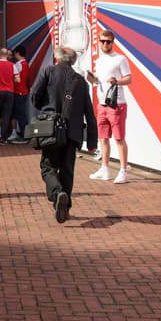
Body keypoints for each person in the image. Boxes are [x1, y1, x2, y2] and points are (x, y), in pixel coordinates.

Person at [31, 46, 98, 223]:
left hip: (51, 128)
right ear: (74, 60)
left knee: (48, 167)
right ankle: (64, 208)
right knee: (67, 170)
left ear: (57, 57)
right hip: (73, 132)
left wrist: (45, 107)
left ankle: (57, 193)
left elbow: (34, 96)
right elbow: (89, 112)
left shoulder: (48, 71)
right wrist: (92, 141)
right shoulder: (81, 81)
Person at [86, 28, 132, 184]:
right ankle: (104, 168)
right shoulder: (98, 61)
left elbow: (129, 79)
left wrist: (117, 81)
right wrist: (93, 79)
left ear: (113, 42)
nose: (105, 44)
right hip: (102, 104)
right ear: (98, 42)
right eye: (103, 41)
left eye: (108, 41)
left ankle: (123, 170)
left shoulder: (120, 59)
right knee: (103, 138)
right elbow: (99, 81)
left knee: (119, 138)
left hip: (116, 104)